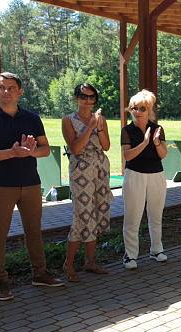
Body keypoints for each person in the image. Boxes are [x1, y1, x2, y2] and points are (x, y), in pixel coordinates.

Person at [0, 72, 64, 301]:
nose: (6, 92)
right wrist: (12, 153)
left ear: (20, 91)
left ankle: (40, 274)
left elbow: (44, 148)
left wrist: (31, 152)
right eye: (1, 87)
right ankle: (0, 282)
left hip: (31, 183)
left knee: (34, 232)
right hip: (1, 186)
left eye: (11, 88)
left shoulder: (32, 118)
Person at [61, 83, 113, 282]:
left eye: (92, 98)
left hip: (100, 167)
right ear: (77, 98)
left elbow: (106, 146)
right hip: (81, 169)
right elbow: (76, 148)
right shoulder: (68, 120)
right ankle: (69, 263)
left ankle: (90, 262)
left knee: (98, 210)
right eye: (84, 97)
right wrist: (90, 126)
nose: (88, 101)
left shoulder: (101, 119)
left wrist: (99, 128)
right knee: (82, 215)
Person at [121, 89, 168, 269]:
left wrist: (156, 143)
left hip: (156, 175)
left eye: (142, 108)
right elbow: (128, 156)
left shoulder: (158, 129)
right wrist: (144, 143)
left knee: (156, 215)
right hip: (135, 176)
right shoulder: (127, 130)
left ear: (149, 110)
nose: (138, 112)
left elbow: (163, 154)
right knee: (133, 217)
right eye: (134, 108)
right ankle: (130, 256)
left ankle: (156, 250)